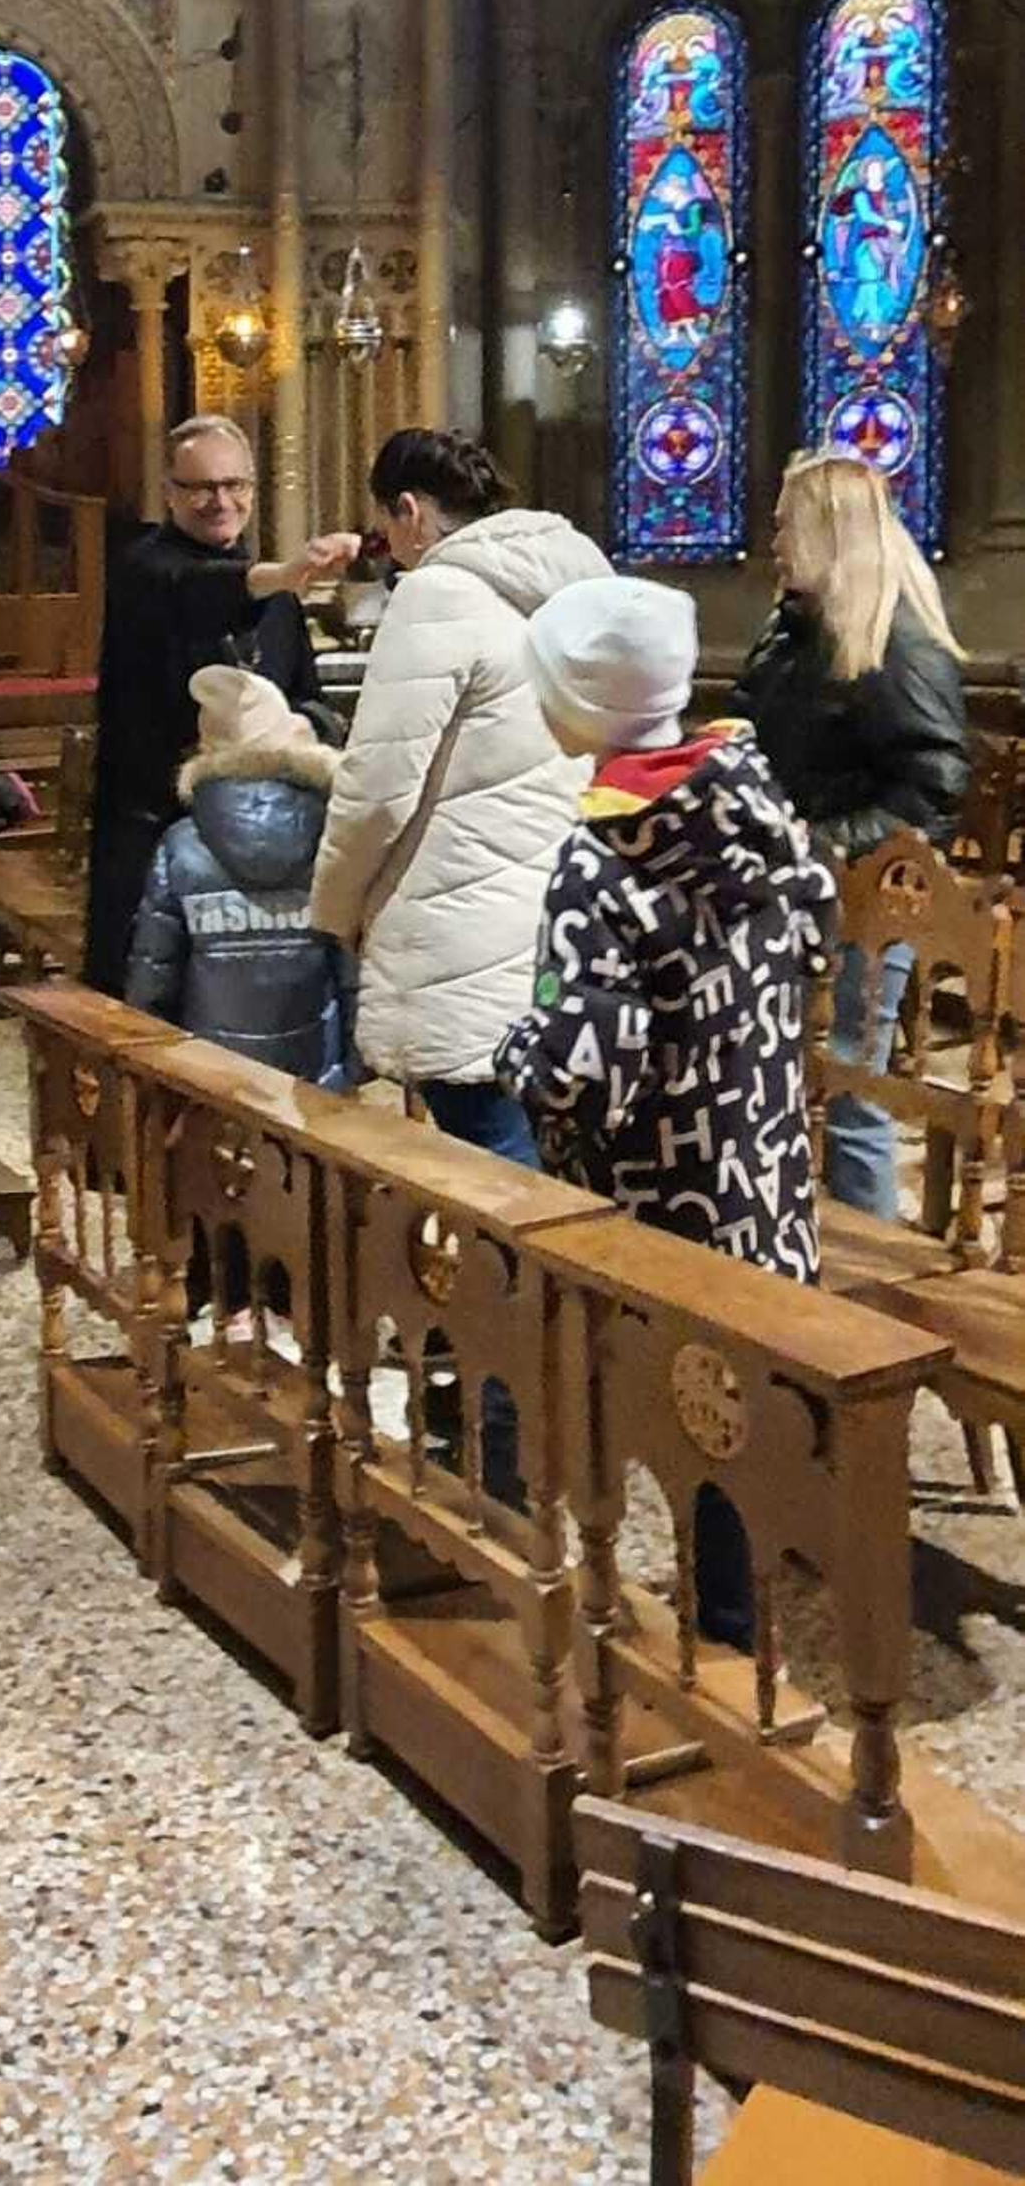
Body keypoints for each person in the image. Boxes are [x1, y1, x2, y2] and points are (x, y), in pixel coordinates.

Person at [493, 577, 838, 1648]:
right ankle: (740, 1618)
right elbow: (819, 949)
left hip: (650, 1192)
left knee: (667, 1404)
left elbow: (588, 1060)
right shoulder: (758, 808)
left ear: (578, 708)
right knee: (733, 1402)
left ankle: (703, 1645)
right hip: (761, 1169)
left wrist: (515, 1057)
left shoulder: (600, 856)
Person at [310, 428, 610, 1163]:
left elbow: (377, 790)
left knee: (489, 1154)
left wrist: (334, 908)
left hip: (458, 925)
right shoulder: (568, 587)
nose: (386, 540)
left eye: (385, 522)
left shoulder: (438, 595)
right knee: (535, 1134)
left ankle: (528, 1281)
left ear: (410, 511)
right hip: (553, 909)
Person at [734, 452, 969, 1221]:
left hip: (867, 907)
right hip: (796, 893)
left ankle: (875, 1295)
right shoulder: (794, 631)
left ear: (827, 530)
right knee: (785, 1089)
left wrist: (817, 839)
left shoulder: (895, 642)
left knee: (853, 1101)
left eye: (782, 525)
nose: (771, 540)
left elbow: (932, 791)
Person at [84, 414, 358, 994]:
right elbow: (196, 587)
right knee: (145, 997)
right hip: (159, 822)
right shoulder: (142, 566)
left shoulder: (277, 597)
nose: (221, 501)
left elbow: (308, 696)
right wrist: (285, 573)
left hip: (268, 834)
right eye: (202, 487)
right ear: (169, 492)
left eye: (236, 485)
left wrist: (306, 732)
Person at [125, 665, 355, 1088]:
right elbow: (352, 969)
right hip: (317, 1083)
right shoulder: (331, 837)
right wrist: (352, 1069)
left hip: (211, 1081)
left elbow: (154, 976)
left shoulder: (180, 847)